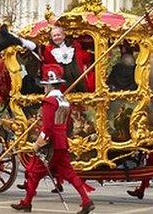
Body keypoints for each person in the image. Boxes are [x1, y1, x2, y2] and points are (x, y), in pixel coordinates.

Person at [11, 63, 95, 214]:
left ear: (49, 86)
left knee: (33, 172)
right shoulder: (64, 101)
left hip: (49, 144)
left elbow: (47, 129)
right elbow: (64, 123)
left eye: (45, 86)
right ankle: (86, 200)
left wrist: (37, 144)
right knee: (69, 173)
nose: (44, 88)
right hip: (62, 141)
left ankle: (27, 203)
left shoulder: (49, 101)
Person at [43, 26, 93, 93]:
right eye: (54, 36)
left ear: (63, 36)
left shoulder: (73, 45)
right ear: (52, 38)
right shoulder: (49, 50)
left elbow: (82, 56)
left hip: (76, 73)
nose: (57, 37)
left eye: (58, 35)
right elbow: (49, 64)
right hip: (61, 77)